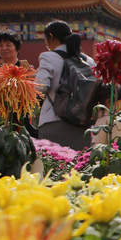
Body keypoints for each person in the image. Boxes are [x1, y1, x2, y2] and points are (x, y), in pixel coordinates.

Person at [36, 20, 96, 150]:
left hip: (53, 122)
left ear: (51, 37)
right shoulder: (88, 61)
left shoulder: (48, 57)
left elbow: (40, 87)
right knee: (80, 167)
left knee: (53, 166)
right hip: (83, 124)